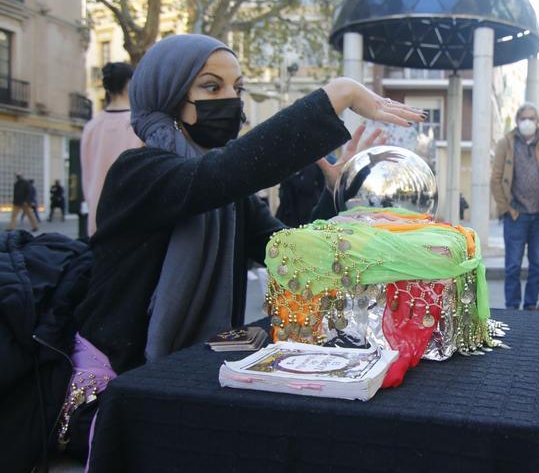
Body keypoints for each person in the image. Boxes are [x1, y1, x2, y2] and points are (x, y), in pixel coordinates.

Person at [74, 34, 424, 376]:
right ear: (169, 98)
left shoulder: (229, 196)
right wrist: (338, 94)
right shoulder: (136, 172)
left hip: (190, 370)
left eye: (237, 88)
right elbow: (220, 174)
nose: (231, 100)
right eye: (212, 87)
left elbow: (290, 254)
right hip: (118, 372)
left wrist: (334, 192)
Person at [490, 102, 539, 310]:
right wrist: (506, 208)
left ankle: (531, 305)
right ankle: (513, 306)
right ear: (517, 121)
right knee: (513, 265)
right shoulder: (506, 143)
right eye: (523, 118)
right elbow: (496, 179)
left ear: (537, 121)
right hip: (516, 214)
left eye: (531, 118)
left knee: (537, 264)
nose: (527, 122)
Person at [80, 62, 144, 236]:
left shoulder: (92, 126)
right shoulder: (138, 125)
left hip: (96, 215)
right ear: (130, 84)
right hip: (131, 216)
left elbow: (87, 176)